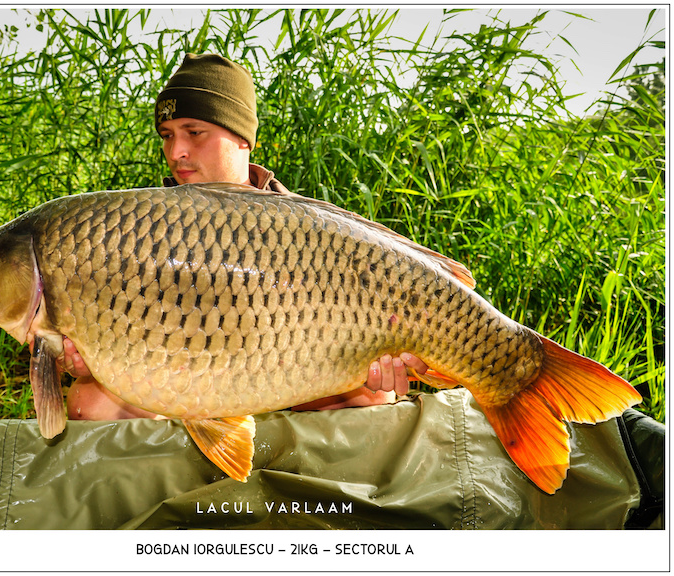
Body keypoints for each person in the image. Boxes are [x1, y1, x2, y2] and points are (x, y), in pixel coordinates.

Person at [62, 53, 429, 421]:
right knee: (92, 402)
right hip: (181, 377)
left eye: (194, 132)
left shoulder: (312, 233)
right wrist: (97, 358)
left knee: (368, 401)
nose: (177, 152)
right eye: (167, 135)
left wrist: (384, 364)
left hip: (291, 377)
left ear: (241, 138)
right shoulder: (140, 232)